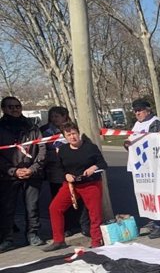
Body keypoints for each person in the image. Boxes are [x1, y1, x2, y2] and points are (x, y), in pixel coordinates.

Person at [43, 122, 107, 251]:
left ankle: (96, 241)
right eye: (69, 135)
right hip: (71, 185)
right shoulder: (63, 150)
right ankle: (58, 240)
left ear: (78, 133)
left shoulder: (90, 147)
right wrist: (66, 175)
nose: (72, 137)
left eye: (74, 133)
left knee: (95, 213)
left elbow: (102, 163)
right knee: (55, 208)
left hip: (90, 183)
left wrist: (93, 168)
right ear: (65, 137)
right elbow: (60, 168)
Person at [0, 96, 46, 251]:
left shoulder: (32, 127)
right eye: (10, 107)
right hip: (8, 176)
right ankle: (7, 238)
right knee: (7, 209)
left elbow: (42, 149)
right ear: (3, 109)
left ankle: (32, 233)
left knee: (32, 207)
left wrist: (32, 169)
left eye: (17, 106)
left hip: (31, 174)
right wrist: (13, 171)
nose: (15, 109)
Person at [41, 106, 90, 238]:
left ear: (65, 116)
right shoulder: (45, 131)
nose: (54, 119)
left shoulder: (73, 128)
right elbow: (41, 149)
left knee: (80, 198)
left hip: (74, 168)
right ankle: (66, 227)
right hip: (55, 170)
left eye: (57, 116)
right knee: (60, 200)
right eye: (52, 116)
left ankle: (84, 225)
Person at [125, 98, 160, 238]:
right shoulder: (137, 125)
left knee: (158, 195)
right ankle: (152, 220)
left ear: (148, 110)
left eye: (140, 110)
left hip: (155, 168)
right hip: (142, 168)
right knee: (146, 196)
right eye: (135, 111)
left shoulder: (156, 123)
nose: (137, 113)